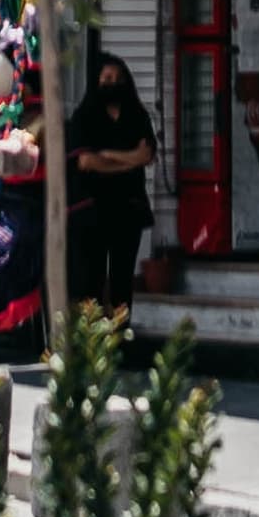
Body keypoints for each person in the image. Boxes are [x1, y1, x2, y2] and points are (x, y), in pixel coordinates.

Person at [67, 44, 156, 318]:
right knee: (91, 280)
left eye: (118, 80)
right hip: (93, 211)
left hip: (128, 210)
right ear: (96, 82)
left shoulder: (137, 115)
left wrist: (108, 156)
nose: (113, 84)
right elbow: (86, 162)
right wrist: (131, 159)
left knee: (122, 282)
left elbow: (148, 155)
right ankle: (92, 342)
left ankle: (120, 339)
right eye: (106, 80)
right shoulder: (84, 117)